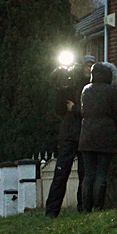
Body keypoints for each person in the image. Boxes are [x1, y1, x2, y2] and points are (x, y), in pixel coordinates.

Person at [77, 63, 117, 213]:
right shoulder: (111, 91)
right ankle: (98, 207)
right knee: (101, 174)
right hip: (105, 136)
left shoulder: (85, 90)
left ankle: (86, 208)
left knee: (88, 176)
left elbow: (83, 112)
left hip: (87, 137)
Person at [45, 55, 95, 218]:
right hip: (70, 133)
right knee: (61, 173)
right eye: (87, 66)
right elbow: (59, 107)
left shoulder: (94, 88)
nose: (89, 69)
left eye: (92, 66)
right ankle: (52, 211)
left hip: (83, 133)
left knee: (84, 173)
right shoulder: (72, 85)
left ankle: (83, 207)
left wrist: (74, 109)